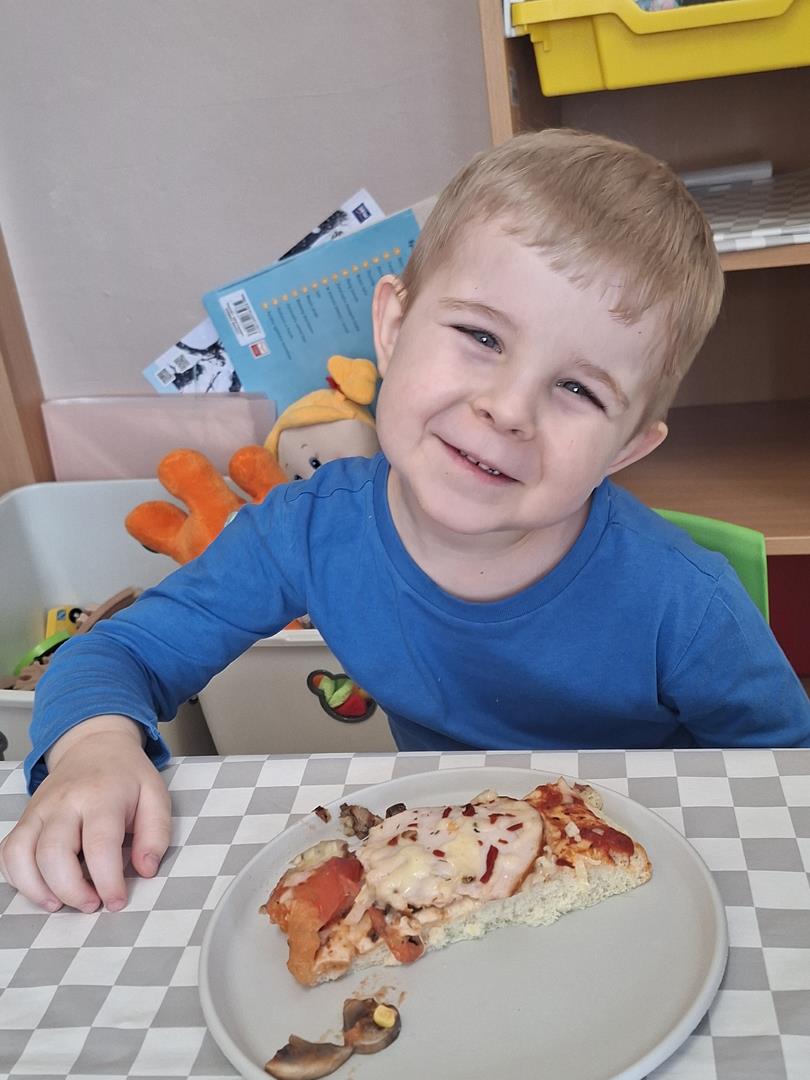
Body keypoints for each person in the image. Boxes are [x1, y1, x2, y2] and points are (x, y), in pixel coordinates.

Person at [3, 129, 809, 914]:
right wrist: (93, 747)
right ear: (391, 328)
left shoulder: (684, 601)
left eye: (578, 390)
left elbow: (787, 781)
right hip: (447, 875)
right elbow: (121, 649)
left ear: (627, 448)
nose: (507, 408)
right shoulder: (309, 531)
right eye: (481, 336)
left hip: (629, 881)